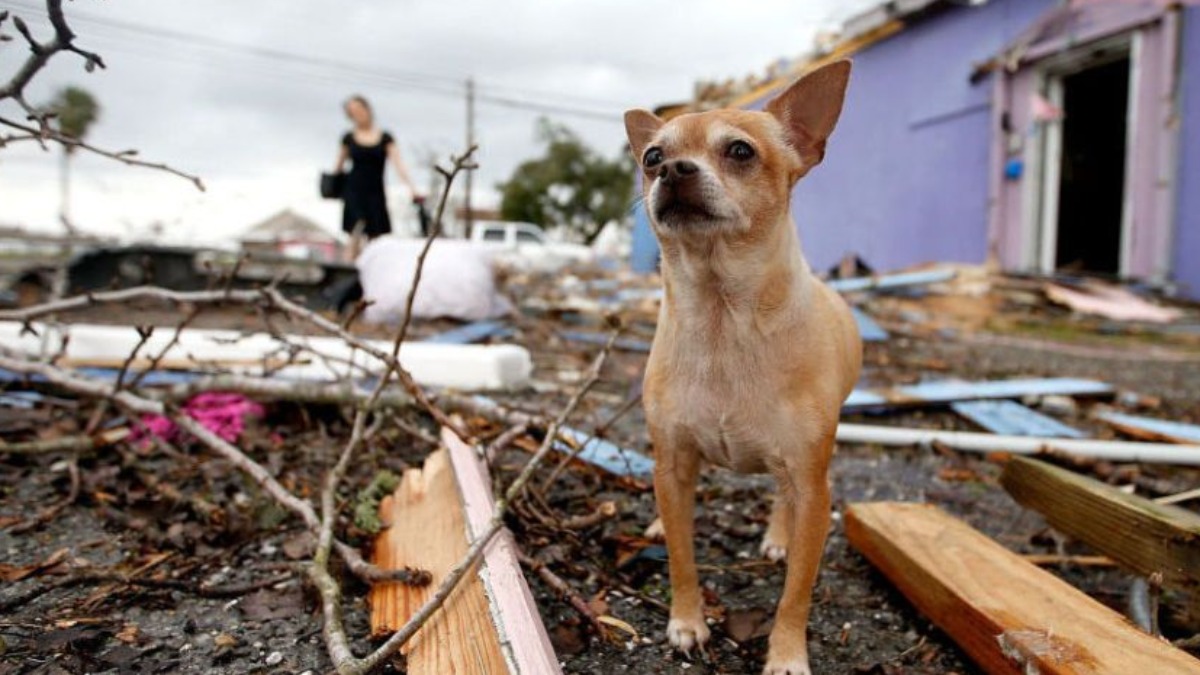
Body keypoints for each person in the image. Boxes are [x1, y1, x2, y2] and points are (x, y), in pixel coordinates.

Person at [333, 95, 423, 260]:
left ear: (368, 110)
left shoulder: (385, 138)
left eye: (359, 110)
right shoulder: (348, 138)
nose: (357, 115)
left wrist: (412, 189)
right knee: (355, 232)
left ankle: (371, 274)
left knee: (375, 238)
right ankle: (348, 273)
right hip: (353, 190)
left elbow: (399, 165)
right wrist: (332, 186)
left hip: (375, 192)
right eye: (352, 113)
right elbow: (337, 167)